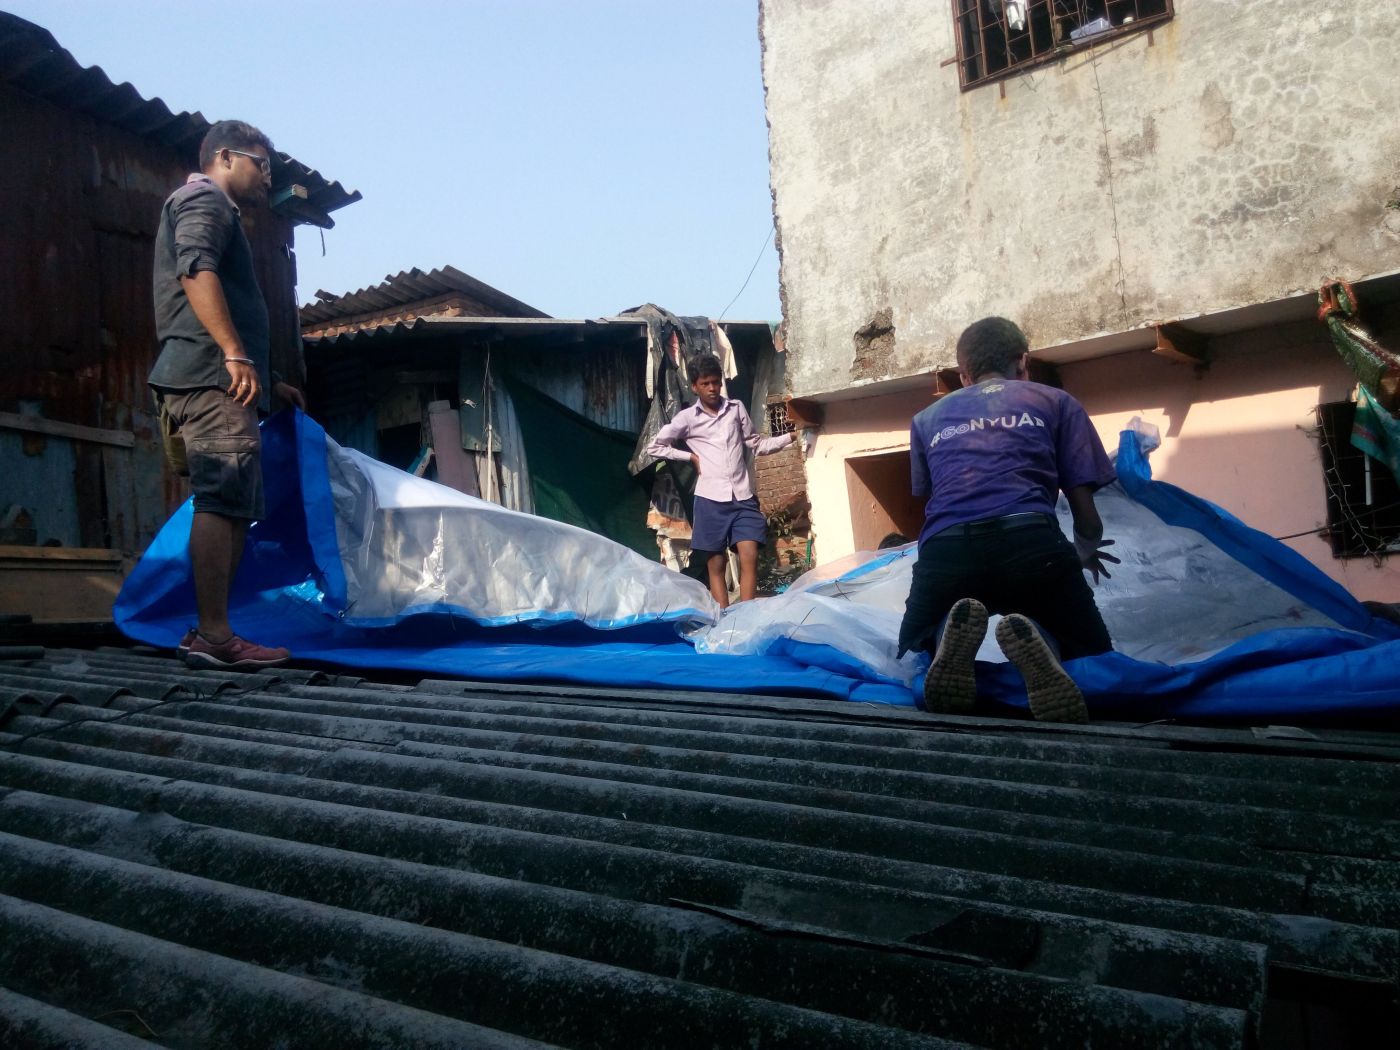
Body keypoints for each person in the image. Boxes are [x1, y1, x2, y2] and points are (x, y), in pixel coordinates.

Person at [899, 317, 1119, 722]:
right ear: (1023, 362)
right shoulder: (1054, 402)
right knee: (1090, 653)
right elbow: (1087, 516)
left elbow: (939, 502)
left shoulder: (926, 419)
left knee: (919, 638)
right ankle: (1045, 647)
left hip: (946, 552)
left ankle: (946, 631)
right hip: (1031, 542)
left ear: (964, 375)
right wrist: (1082, 553)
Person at [149, 120, 305, 670]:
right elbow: (196, 269)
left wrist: (271, 375)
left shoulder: (223, 213)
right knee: (223, 498)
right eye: (262, 165)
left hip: (222, 378)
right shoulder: (204, 201)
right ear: (225, 157)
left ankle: (217, 631)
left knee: (234, 502)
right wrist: (235, 354)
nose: (267, 177)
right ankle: (213, 636)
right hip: (211, 377)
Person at [646, 355, 796, 608]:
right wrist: (688, 456)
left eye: (716, 382)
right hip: (710, 500)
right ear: (695, 387)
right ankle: (724, 620)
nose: (712, 388)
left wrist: (790, 436)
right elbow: (655, 446)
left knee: (749, 554)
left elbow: (756, 445)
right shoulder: (687, 418)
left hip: (743, 497)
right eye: (705, 384)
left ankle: (747, 615)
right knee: (716, 564)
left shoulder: (736, 409)